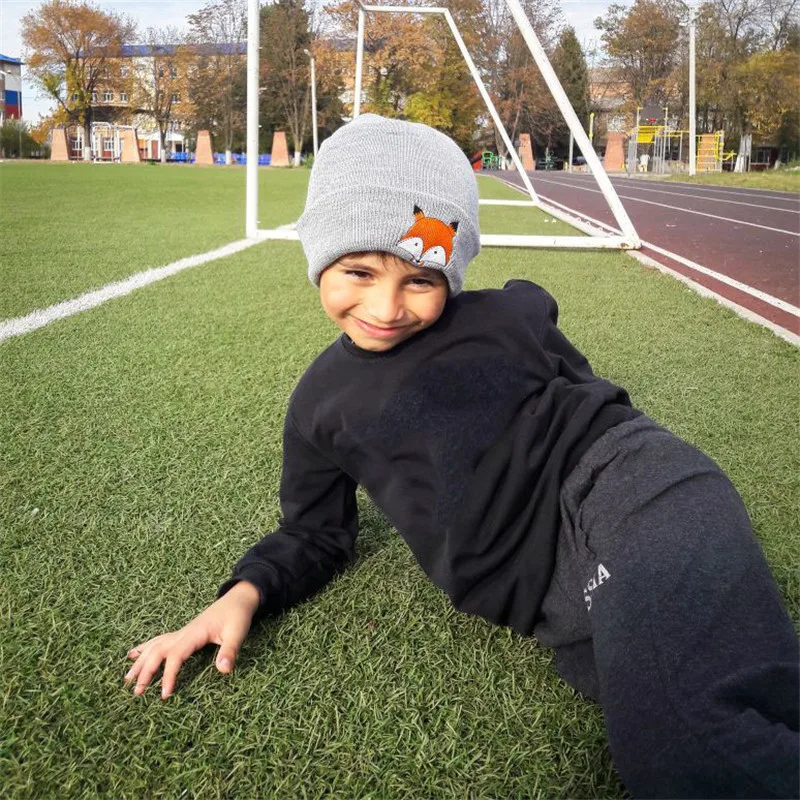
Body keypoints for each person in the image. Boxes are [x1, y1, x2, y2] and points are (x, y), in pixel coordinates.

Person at [124, 114, 799, 798]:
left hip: (626, 490)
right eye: (359, 271)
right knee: (704, 718)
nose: (387, 306)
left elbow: (590, 394)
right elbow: (315, 533)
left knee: (684, 746)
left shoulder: (507, 316)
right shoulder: (318, 408)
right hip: (551, 597)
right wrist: (243, 594)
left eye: (421, 279)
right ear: (320, 253)